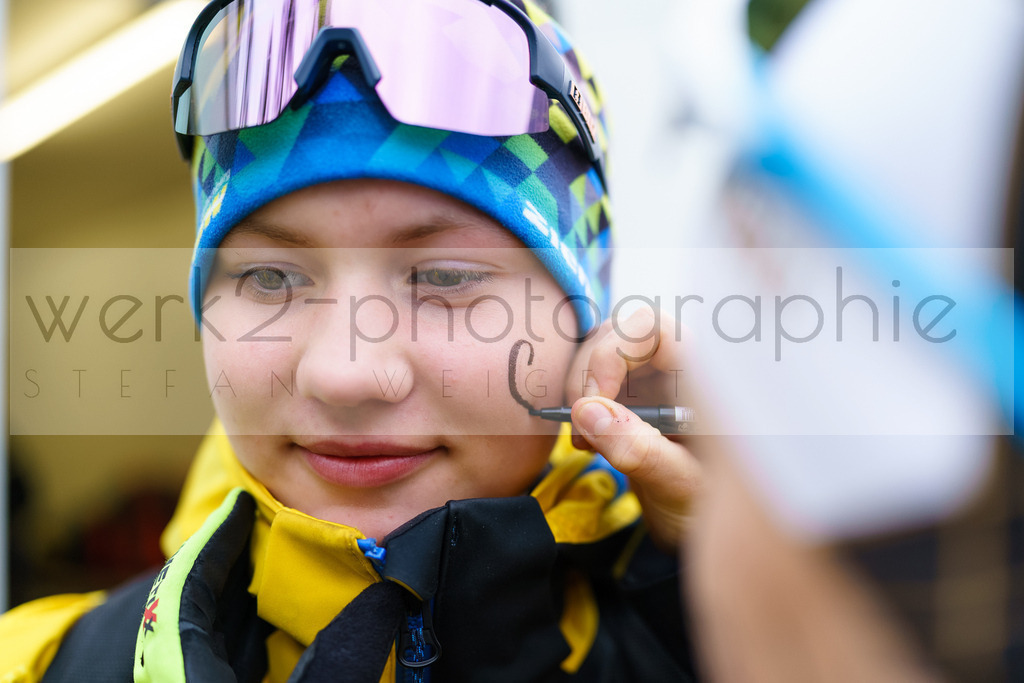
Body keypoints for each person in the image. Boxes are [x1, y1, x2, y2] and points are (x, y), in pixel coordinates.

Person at [0, 1, 701, 681]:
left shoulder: (736, 636)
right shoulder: (41, 666)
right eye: (271, 277)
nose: (347, 374)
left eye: (444, 277)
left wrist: (718, 576)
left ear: (584, 322)